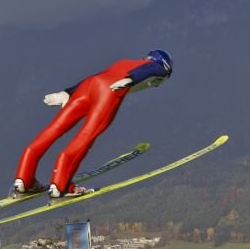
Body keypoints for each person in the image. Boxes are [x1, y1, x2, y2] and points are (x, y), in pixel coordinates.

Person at [13, 49, 173, 198]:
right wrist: (131, 79)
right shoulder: (158, 68)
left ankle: (23, 179)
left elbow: (99, 75)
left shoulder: (124, 62)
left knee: (54, 129)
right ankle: (61, 185)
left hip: (88, 85)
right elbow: (153, 69)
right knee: (86, 136)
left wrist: (68, 92)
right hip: (108, 91)